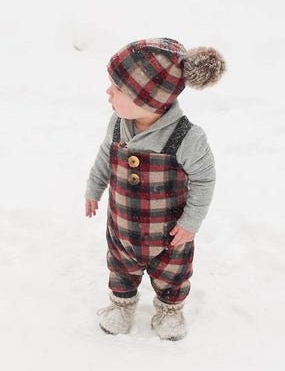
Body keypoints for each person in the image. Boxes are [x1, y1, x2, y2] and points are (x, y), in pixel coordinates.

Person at [85, 38, 226, 341]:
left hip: (169, 234)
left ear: (151, 100)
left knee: (172, 273)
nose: (109, 93)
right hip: (123, 228)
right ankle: (122, 305)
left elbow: (204, 179)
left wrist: (190, 224)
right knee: (120, 267)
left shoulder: (188, 138)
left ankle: (169, 310)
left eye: (118, 89)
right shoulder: (119, 122)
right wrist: (93, 189)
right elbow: (105, 156)